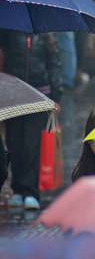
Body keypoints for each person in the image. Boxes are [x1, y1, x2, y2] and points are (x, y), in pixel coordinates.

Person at [0, 31, 62, 211]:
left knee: (32, 145)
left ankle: (31, 191)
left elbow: (55, 65)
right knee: (14, 143)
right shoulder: (9, 34)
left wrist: (56, 95)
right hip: (14, 95)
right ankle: (18, 188)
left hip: (39, 97)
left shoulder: (48, 37)